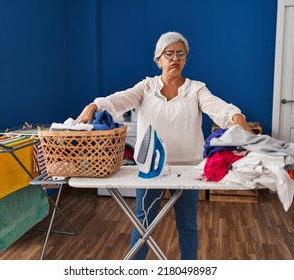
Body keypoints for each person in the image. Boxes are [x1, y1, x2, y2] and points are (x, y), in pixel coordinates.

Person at [75, 31, 253, 259]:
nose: (175, 58)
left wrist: (237, 118)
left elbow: (216, 107)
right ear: (158, 59)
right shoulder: (146, 87)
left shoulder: (196, 89)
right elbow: (121, 99)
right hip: (150, 169)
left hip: (188, 170)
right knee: (143, 225)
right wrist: (94, 106)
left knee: (187, 225)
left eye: (180, 54)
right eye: (169, 53)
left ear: (186, 59)